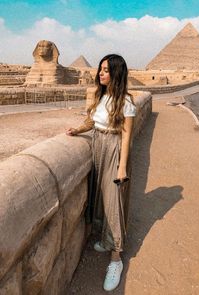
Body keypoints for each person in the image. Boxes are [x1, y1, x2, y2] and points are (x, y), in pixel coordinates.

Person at [66, 54, 136, 291]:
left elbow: (126, 135)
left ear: (116, 73)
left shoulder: (126, 101)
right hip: (98, 145)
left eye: (106, 70)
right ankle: (106, 241)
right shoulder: (101, 95)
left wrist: (122, 166)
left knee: (114, 201)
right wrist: (76, 130)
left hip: (114, 148)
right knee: (101, 200)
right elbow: (92, 121)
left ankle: (116, 259)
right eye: (100, 69)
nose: (100, 73)